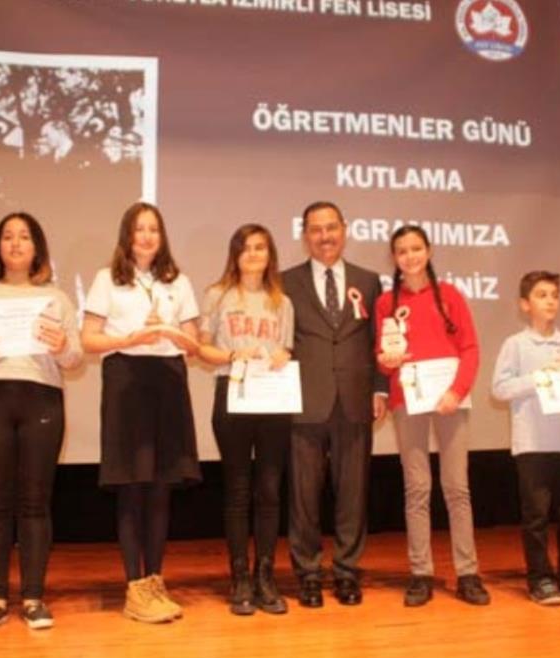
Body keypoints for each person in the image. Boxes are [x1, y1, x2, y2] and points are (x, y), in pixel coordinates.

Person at [0, 212, 83, 631]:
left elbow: (75, 358)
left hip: (41, 400)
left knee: (35, 502)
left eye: (24, 236)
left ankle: (33, 598)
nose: (16, 243)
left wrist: (62, 346)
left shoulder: (56, 299)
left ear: (36, 247)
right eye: (7, 236)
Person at [80, 202, 201, 624]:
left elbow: (195, 343)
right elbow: (88, 339)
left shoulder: (178, 281)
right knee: (132, 484)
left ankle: (155, 580)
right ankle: (135, 587)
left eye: (154, 229)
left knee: (162, 485)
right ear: (127, 236)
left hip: (168, 378)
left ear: (162, 236)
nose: (147, 236)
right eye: (139, 229)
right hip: (126, 379)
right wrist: (130, 338)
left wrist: (172, 333)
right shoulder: (107, 278)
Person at [374, 226, 489, 607]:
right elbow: (382, 359)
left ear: (429, 250)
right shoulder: (385, 303)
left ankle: (468, 573)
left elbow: (470, 348)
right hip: (407, 400)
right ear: (394, 257)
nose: (410, 256)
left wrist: (457, 390)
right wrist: (387, 361)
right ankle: (420, 572)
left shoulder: (451, 294)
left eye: (416, 248)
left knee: (457, 487)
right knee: (417, 488)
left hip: (450, 400)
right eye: (402, 251)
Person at [281, 201, 386, 607]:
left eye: (331, 227)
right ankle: (307, 573)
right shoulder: (285, 282)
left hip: (355, 400)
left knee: (353, 493)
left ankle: (346, 571)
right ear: (305, 235)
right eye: (315, 229)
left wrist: (380, 389)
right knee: (303, 496)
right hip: (303, 402)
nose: (324, 236)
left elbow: (379, 340)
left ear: (345, 229)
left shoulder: (369, 281)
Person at [197, 224, 294, 616]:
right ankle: (239, 576)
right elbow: (202, 348)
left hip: (272, 396)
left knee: (269, 490)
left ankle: (265, 575)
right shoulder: (217, 295)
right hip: (233, 392)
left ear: (270, 255)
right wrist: (232, 355)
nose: (253, 254)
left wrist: (285, 355)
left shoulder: (282, 302)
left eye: (261, 247)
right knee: (237, 489)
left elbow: (286, 349)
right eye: (246, 248)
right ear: (235, 254)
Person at [492, 271, 560, 606]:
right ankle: (540, 578)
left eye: (554, 295)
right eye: (541, 295)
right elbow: (499, 388)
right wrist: (540, 377)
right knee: (536, 516)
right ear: (525, 305)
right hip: (533, 443)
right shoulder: (516, 345)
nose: (550, 301)